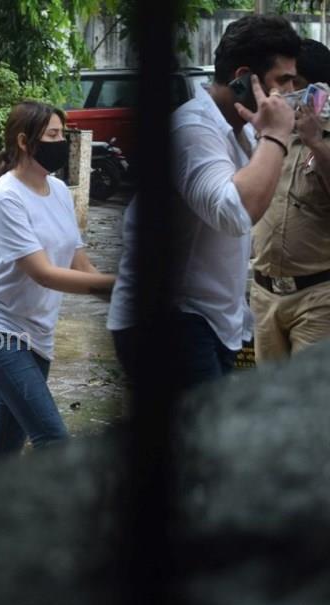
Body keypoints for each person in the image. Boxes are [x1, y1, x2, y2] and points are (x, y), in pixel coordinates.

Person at [108, 15, 300, 390]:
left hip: (212, 321)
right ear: (243, 78)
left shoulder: (241, 131)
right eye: (284, 80)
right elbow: (234, 213)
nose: (291, 92)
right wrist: (276, 136)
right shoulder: (192, 130)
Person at [0, 101, 115, 468]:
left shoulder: (59, 190)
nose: (62, 143)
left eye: (62, 134)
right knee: (53, 441)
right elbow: (43, 272)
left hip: (37, 333)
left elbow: (79, 263)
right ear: (24, 141)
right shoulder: (5, 197)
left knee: (5, 455)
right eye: (53, 135)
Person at [250, 38, 330, 362]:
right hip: (264, 295)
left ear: (318, 92)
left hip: (317, 298)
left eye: (294, 83)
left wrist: (316, 143)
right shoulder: (267, 134)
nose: (284, 92)